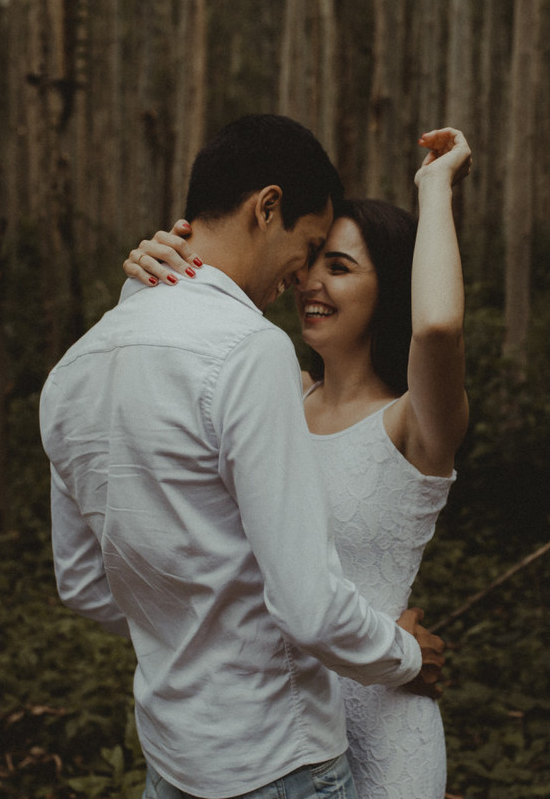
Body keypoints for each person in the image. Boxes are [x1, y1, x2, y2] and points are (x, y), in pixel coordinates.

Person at [41, 114, 446, 799]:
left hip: (170, 760)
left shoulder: (72, 371)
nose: (303, 276)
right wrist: (408, 654)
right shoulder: (249, 351)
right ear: (267, 207)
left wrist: (188, 623)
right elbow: (308, 609)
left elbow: (82, 583)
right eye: (309, 245)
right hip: (276, 758)